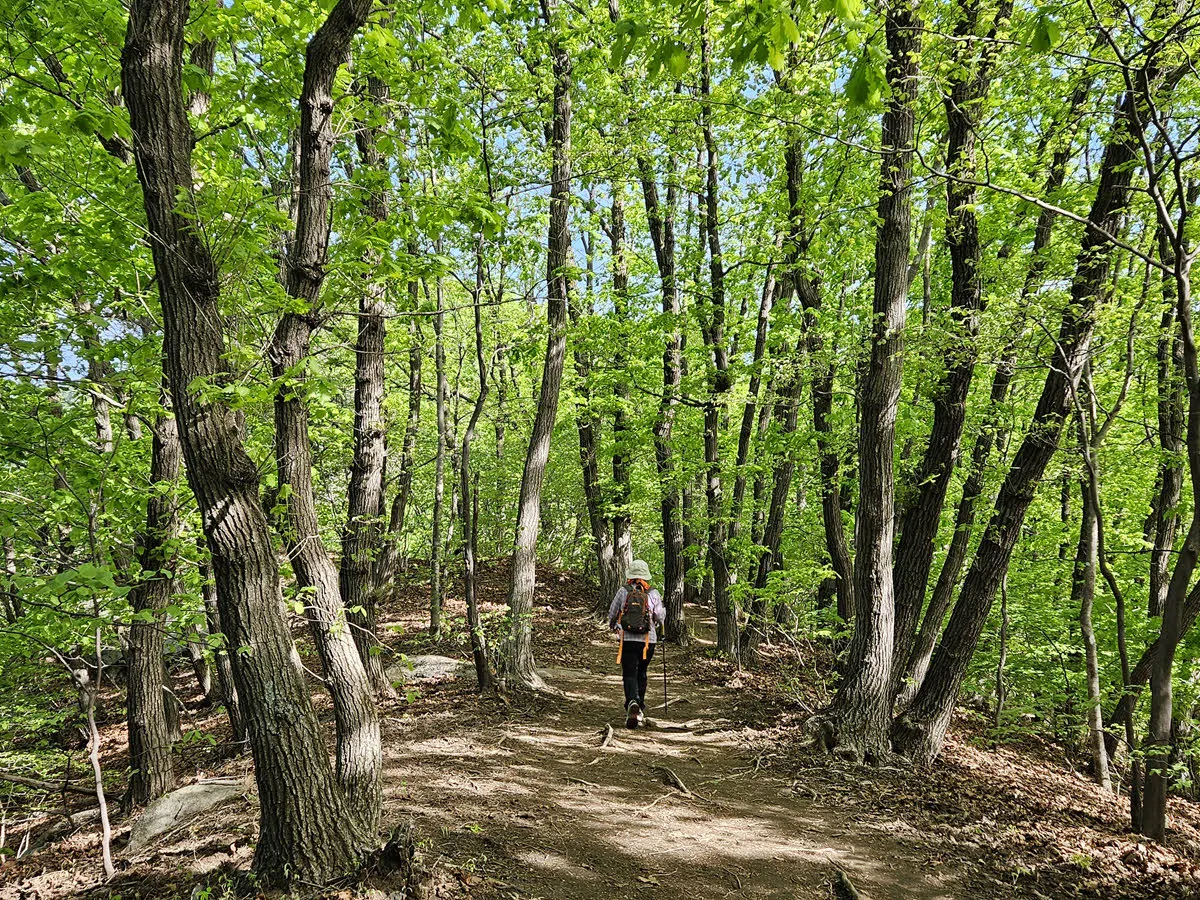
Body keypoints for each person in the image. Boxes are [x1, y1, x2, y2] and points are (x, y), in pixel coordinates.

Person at [607, 560, 665, 729]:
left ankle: (632, 701)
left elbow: (612, 612)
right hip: (648, 640)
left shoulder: (623, 591)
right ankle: (639, 706)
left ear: (630, 575)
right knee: (642, 672)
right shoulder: (653, 593)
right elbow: (660, 617)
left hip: (627, 639)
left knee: (629, 673)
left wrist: (613, 626)